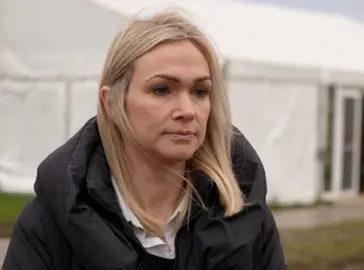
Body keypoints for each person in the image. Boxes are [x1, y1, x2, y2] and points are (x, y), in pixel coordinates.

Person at [2, 10, 287, 270]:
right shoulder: (49, 224)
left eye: (200, 91)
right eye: (162, 90)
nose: (187, 111)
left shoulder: (245, 214)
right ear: (111, 103)